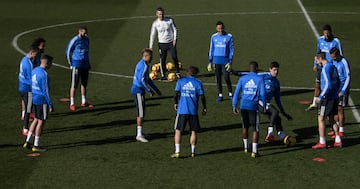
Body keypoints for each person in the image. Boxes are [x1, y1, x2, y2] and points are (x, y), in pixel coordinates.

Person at [171, 66, 207, 158]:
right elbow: (202, 97)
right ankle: (193, 152)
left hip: (182, 110)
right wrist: (204, 107)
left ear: (187, 72)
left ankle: (177, 151)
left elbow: (175, 95)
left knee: (178, 131)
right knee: (194, 131)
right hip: (193, 111)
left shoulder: (181, 81)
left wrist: (176, 103)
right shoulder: (198, 83)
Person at [232, 61, 265, 158]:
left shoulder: (243, 78)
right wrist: (264, 105)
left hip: (243, 106)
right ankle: (254, 151)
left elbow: (237, 93)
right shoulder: (260, 79)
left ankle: (246, 147)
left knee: (245, 126)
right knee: (255, 129)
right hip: (253, 107)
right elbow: (262, 94)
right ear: (257, 68)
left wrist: (234, 105)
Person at [307, 24, 343, 110]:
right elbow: (318, 52)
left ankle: (335, 103)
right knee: (317, 84)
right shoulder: (320, 40)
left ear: (330, 32)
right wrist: (315, 64)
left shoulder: (336, 41)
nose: (326, 35)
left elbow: (340, 55)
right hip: (321, 67)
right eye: (325, 33)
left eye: (327, 33)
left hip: (331, 68)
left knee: (331, 86)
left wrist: (338, 67)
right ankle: (314, 103)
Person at [23, 55, 54, 152]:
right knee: (41, 121)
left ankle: (27, 141)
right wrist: (50, 104)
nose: (51, 65)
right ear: (46, 62)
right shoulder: (44, 75)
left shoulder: (35, 70)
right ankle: (36, 145)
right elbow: (46, 91)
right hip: (42, 100)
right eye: (50, 63)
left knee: (36, 119)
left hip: (34, 98)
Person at [131, 48, 162, 142]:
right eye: (151, 57)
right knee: (141, 112)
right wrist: (149, 90)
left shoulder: (142, 64)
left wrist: (156, 90)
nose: (152, 58)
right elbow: (142, 81)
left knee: (142, 112)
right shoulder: (144, 65)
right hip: (138, 91)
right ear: (146, 56)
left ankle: (140, 133)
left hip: (139, 90)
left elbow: (148, 79)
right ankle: (139, 135)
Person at [312, 52, 341, 149]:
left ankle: (322, 142)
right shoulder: (332, 66)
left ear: (320, 59)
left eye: (317, 61)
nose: (317, 63)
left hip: (327, 98)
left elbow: (328, 85)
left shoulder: (325, 69)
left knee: (321, 119)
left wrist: (320, 97)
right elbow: (338, 81)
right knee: (332, 118)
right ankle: (338, 140)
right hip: (335, 97)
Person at [259, 62, 293, 143]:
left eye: (277, 70)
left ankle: (282, 136)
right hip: (258, 102)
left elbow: (277, 99)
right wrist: (235, 72)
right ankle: (270, 134)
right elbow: (251, 74)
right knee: (275, 111)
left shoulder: (276, 82)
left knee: (278, 118)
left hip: (266, 103)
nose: (276, 72)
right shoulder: (263, 76)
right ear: (270, 69)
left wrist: (283, 112)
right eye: (274, 70)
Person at [149, 7, 180, 79]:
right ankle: (163, 75)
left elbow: (175, 30)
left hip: (171, 43)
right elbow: (152, 35)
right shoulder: (155, 23)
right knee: (162, 59)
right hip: (162, 44)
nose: (161, 15)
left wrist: (175, 39)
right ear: (156, 14)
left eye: (162, 14)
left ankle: (178, 72)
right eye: (159, 14)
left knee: (174, 57)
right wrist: (150, 46)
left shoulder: (169, 20)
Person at [66, 26, 92, 111]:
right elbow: (68, 51)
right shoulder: (75, 40)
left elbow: (87, 51)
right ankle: (72, 103)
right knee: (74, 84)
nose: (85, 34)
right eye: (84, 33)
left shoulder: (87, 39)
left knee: (84, 83)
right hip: (77, 64)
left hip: (85, 64)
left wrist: (88, 62)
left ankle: (84, 101)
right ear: (79, 32)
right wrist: (71, 64)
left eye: (86, 33)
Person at [208, 21, 234, 102]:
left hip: (225, 61)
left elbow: (231, 50)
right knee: (218, 78)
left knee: (226, 77)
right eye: (219, 28)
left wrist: (230, 62)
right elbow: (211, 49)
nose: (220, 30)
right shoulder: (213, 37)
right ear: (216, 28)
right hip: (216, 61)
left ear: (224, 27)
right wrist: (210, 62)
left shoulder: (229, 37)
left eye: (222, 28)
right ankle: (220, 95)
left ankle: (230, 93)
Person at [330, 47, 351, 137]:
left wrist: (343, 90)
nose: (333, 59)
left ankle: (341, 130)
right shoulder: (333, 61)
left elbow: (348, 76)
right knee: (334, 109)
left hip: (342, 89)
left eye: (334, 57)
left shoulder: (344, 62)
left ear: (338, 55)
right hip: (335, 88)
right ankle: (336, 129)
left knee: (340, 109)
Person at [18, 48, 38, 136]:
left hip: (22, 87)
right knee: (28, 109)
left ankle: (27, 121)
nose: (35, 57)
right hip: (27, 88)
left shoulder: (23, 59)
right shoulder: (29, 63)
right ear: (32, 53)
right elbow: (31, 78)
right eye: (35, 55)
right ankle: (25, 128)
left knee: (28, 107)